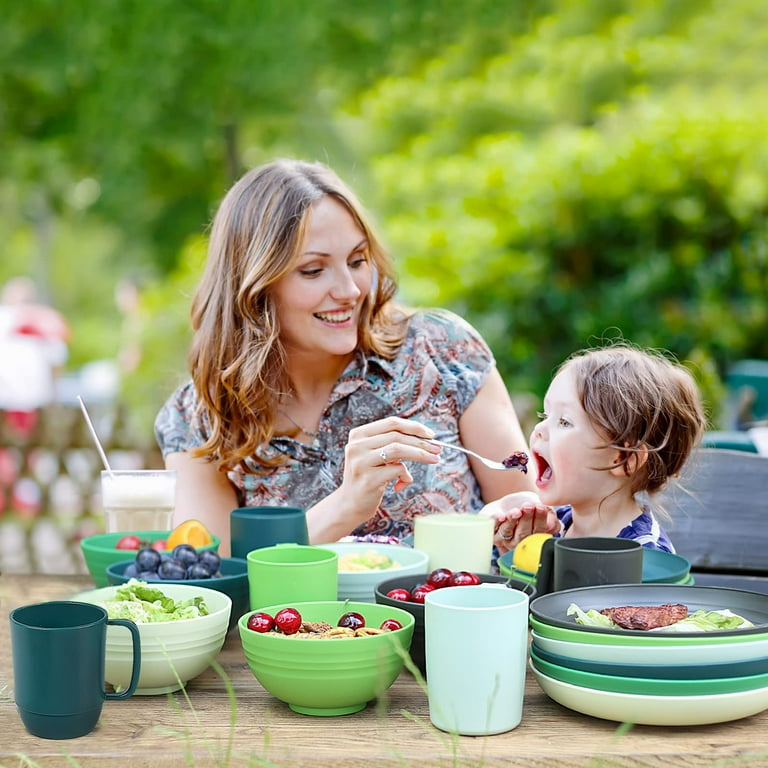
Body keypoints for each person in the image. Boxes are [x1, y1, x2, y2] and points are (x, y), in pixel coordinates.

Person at [154, 159, 541, 556]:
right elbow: (216, 580)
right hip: (302, 621)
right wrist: (345, 506)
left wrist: (514, 524)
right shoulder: (201, 416)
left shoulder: (441, 348)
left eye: (357, 261)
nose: (350, 290)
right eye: (313, 270)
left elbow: (530, 526)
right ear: (253, 285)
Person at [484, 343, 707, 553]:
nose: (539, 429)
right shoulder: (552, 527)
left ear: (625, 458)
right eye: (545, 415)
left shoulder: (646, 559)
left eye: (564, 421)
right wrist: (500, 539)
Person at [0, 276, 70, 436]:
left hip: (31, 400)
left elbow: (56, 361)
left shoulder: (44, 322)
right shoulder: (45, 321)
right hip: (15, 399)